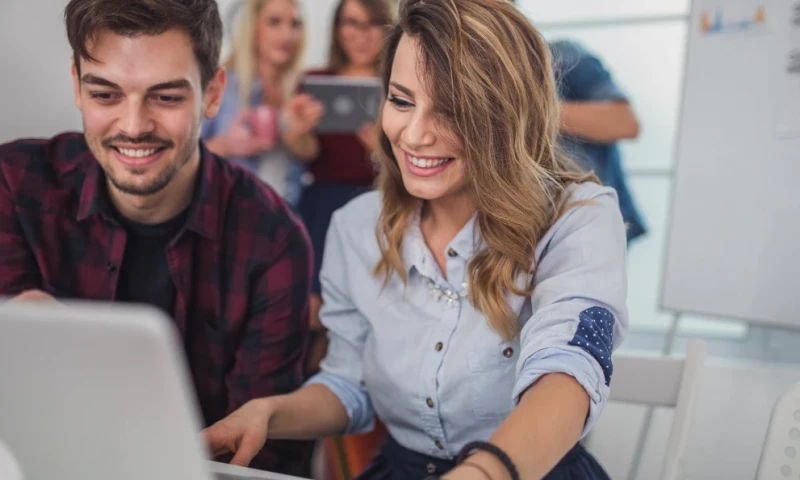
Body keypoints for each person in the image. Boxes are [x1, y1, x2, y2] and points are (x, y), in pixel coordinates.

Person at [203, 1, 628, 479]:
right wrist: (267, 414)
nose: (415, 134)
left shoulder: (578, 217)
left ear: (507, 112)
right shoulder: (357, 226)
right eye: (401, 101)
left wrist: (482, 473)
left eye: (451, 109)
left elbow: (568, 371)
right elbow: (348, 384)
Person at [0, 0, 313, 475]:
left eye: (165, 97)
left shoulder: (274, 242)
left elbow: (257, 459)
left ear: (212, 94)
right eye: (105, 94)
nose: (133, 127)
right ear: (77, 87)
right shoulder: (12, 185)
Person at [282, 0, 396, 375]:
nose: (360, 35)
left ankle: (336, 385)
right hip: (323, 204)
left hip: (381, 203)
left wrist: (381, 152)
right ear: (337, 29)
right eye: (351, 23)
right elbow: (307, 154)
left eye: (371, 24)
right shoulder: (316, 80)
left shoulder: (399, 83)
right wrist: (297, 133)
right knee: (313, 307)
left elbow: (407, 169)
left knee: (361, 308)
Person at [201, 0, 321, 207]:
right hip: (230, 208)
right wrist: (225, 145)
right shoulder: (221, 85)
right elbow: (183, 158)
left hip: (284, 211)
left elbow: (310, 155)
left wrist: (296, 136)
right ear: (253, 27)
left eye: (295, 24)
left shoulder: (301, 89)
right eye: (274, 22)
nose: (287, 35)